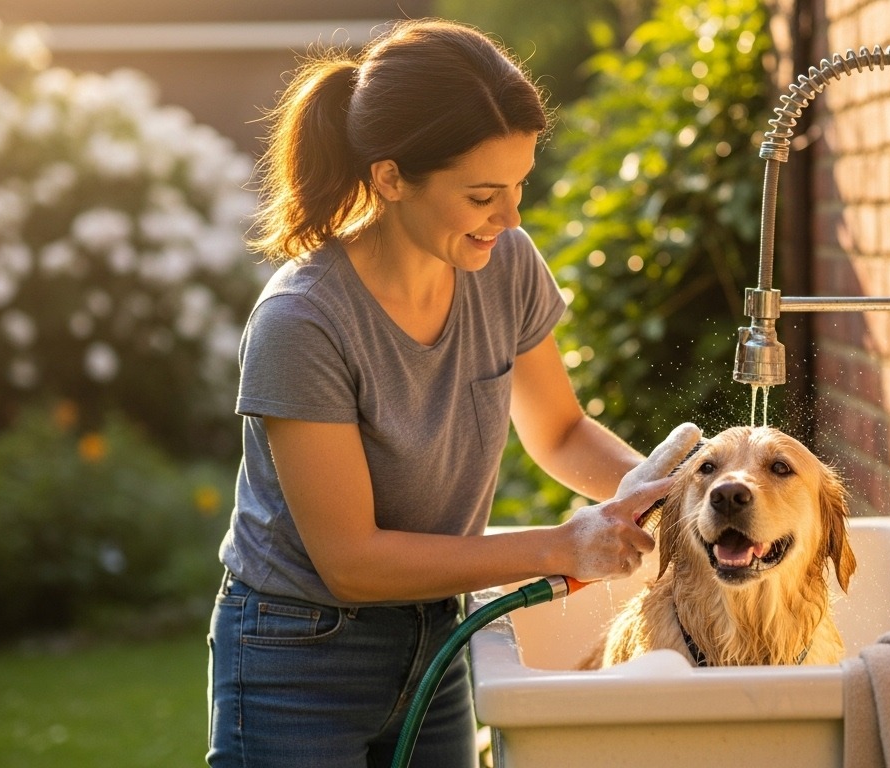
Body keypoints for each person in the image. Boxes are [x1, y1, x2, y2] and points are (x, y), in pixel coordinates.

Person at [206, 18, 702, 768]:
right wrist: (563, 547)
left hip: (438, 634)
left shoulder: (504, 265)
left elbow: (561, 431)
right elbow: (354, 561)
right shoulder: (301, 322)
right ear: (390, 177)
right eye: (481, 196)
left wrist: (674, 501)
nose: (511, 218)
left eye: (519, 187)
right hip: (298, 655)